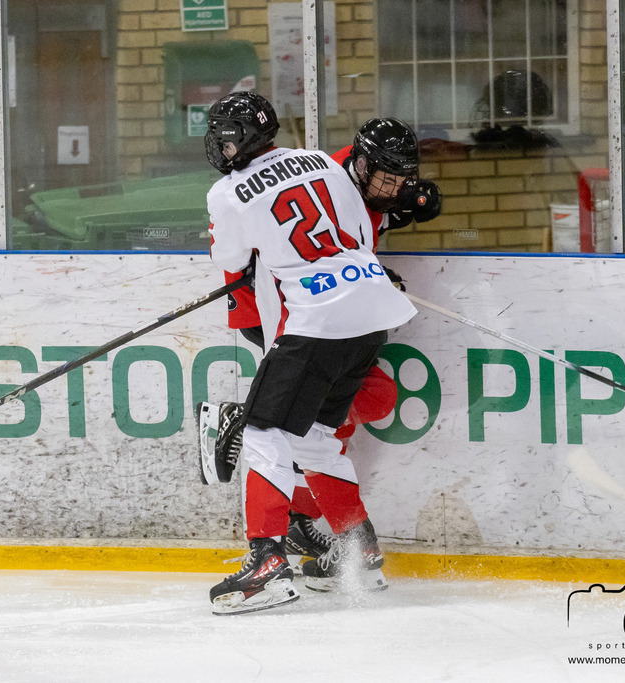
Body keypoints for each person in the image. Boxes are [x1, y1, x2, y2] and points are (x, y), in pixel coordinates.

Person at [203, 91, 417, 615]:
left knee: (262, 432)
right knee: (318, 436)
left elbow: (229, 257)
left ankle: (268, 562)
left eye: (223, 137)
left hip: (315, 320)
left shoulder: (227, 191)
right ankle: (358, 549)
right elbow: (360, 234)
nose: (218, 146)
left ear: (237, 142)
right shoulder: (324, 161)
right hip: (372, 313)